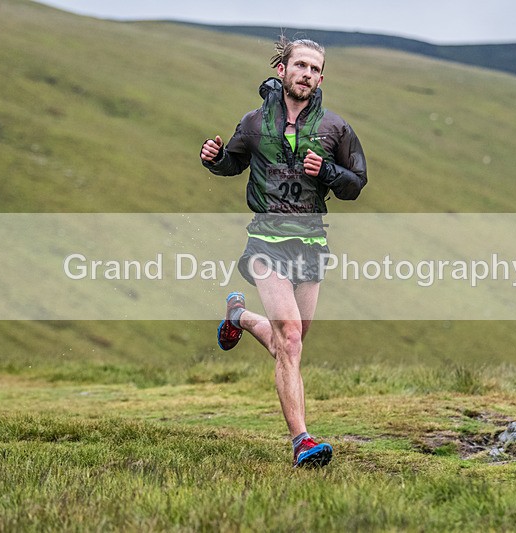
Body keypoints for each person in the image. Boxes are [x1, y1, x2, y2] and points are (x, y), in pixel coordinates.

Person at [200, 36, 367, 468]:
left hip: (311, 242)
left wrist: (326, 169)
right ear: (283, 70)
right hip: (266, 240)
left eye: (315, 69)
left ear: (321, 77)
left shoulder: (335, 128)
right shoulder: (255, 123)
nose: (307, 74)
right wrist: (214, 158)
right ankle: (302, 441)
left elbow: (355, 183)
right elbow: (232, 162)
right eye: (301, 66)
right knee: (290, 339)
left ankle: (238, 316)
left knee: (286, 346)